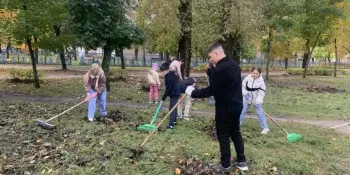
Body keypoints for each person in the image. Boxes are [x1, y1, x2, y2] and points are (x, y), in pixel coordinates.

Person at [185, 43, 248, 173]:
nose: (210, 59)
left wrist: (192, 92)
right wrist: (211, 71)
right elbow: (222, 82)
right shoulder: (233, 65)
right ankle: (242, 162)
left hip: (225, 108)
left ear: (216, 53)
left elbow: (212, 89)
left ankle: (225, 165)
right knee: (235, 132)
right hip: (237, 105)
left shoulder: (221, 69)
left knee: (223, 135)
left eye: (210, 56)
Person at [240, 66, 269, 134]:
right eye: (254, 73)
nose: (255, 75)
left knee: (260, 113)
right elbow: (243, 87)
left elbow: (261, 93)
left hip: (256, 101)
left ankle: (265, 128)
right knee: (242, 111)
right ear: (252, 72)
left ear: (259, 73)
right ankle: (237, 124)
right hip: (247, 98)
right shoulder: (247, 79)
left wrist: (258, 102)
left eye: (257, 73)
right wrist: (245, 94)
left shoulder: (261, 82)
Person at [160, 62, 180, 129]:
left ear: (167, 70)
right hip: (176, 92)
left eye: (163, 71)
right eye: (161, 72)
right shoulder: (172, 74)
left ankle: (171, 124)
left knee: (171, 109)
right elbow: (177, 79)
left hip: (174, 94)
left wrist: (163, 98)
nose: (162, 73)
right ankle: (174, 121)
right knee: (174, 107)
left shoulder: (168, 78)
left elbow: (168, 89)